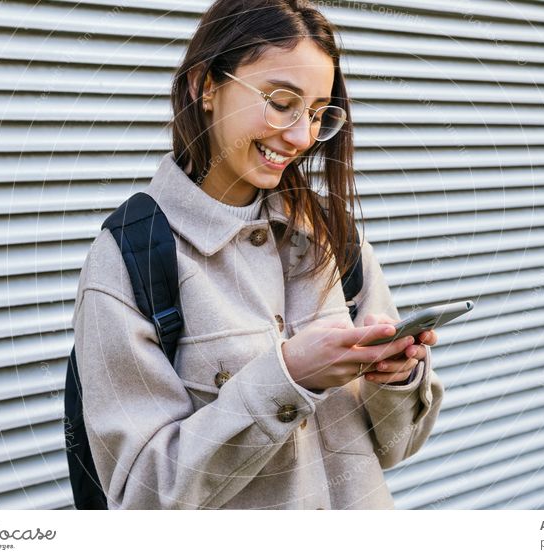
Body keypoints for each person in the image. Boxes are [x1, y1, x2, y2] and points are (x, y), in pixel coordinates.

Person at [72, 0, 444, 509]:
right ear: (206, 85)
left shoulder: (333, 235)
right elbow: (143, 499)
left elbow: (397, 445)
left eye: (317, 113)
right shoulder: (130, 259)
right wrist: (287, 378)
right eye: (280, 101)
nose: (301, 137)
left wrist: (397, 380)